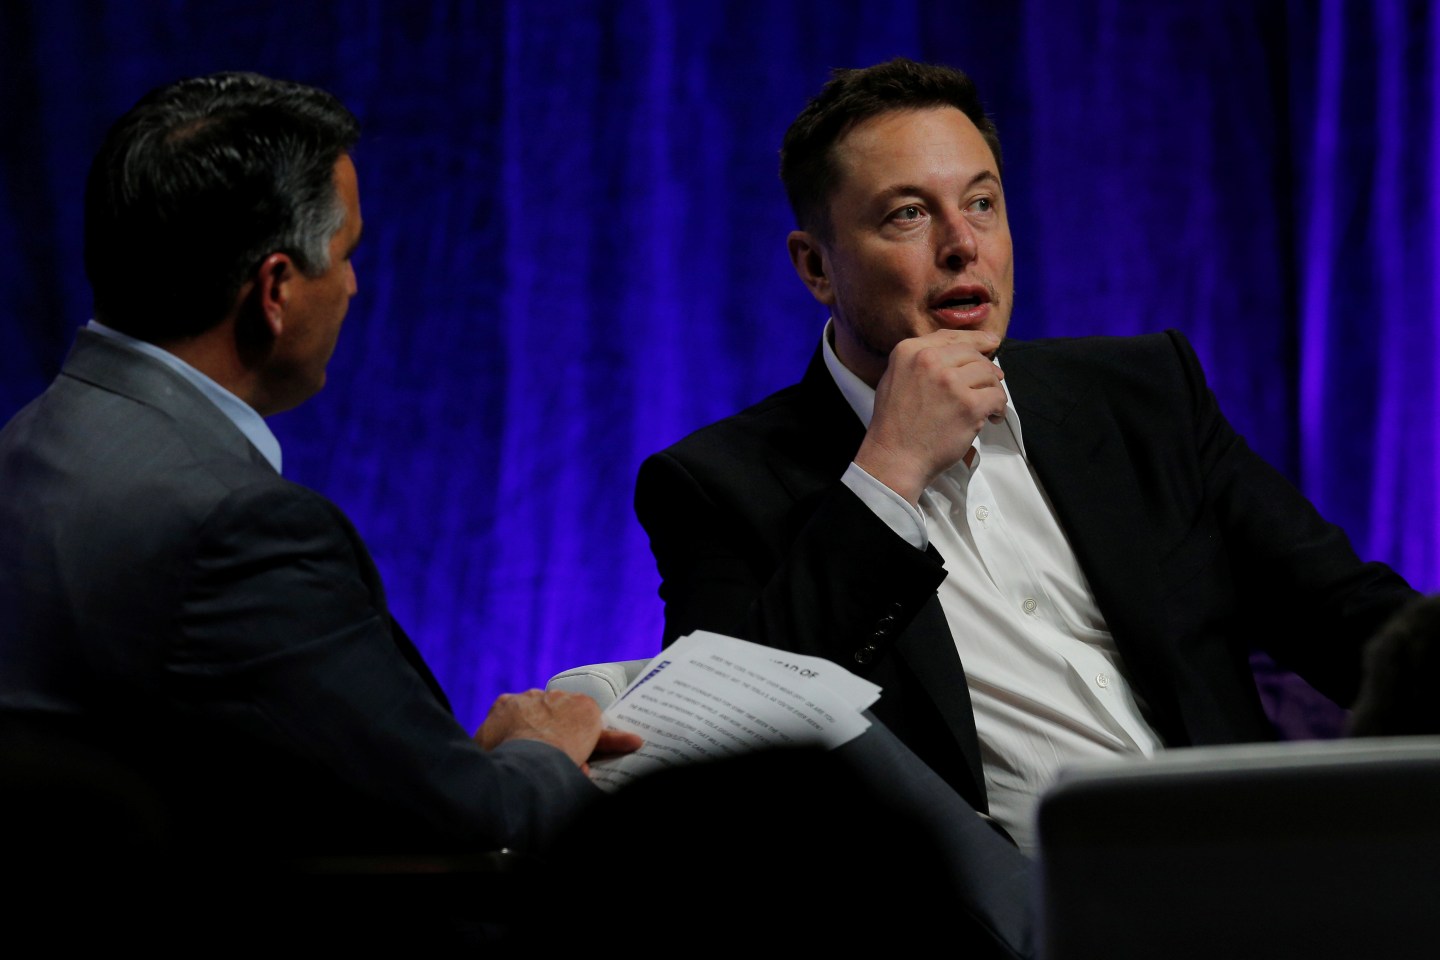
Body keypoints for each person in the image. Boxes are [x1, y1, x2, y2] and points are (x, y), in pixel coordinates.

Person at [633, 57, 1420, 856]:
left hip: (1253, 875)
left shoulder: (1144, 399)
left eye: (982, 202)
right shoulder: (719, 487)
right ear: (815, 266)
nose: (962, 245)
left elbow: (1347, 616)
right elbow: (730, 760)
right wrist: (888, 472)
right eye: (909, 215)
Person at [0, 71, 642, 875]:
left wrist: (441, 763)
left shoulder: (29, 445)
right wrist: (544, 750)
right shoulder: (235, 528)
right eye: (345, 254)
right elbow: (476, 825)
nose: (353, 286)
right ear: (274, 289)